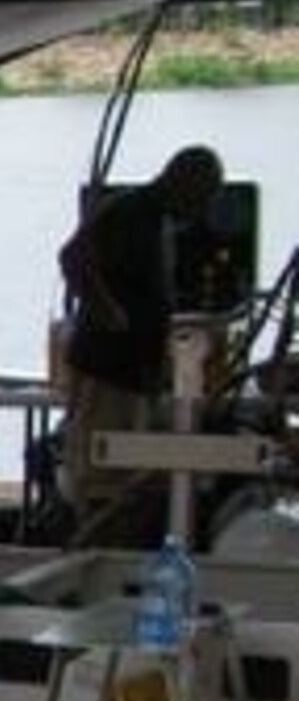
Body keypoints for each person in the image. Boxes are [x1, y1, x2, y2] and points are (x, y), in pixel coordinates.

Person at [55, 144, 226, 532]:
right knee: (102, 474)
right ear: (183, 181)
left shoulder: (158, 221)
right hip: (108, 367)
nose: (201, 210)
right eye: (202, 197)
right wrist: (109, 313)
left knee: (130, 474)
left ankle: (119, 543)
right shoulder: (129, 210)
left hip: (135, 372)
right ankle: (94, 544)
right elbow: (72, 257)